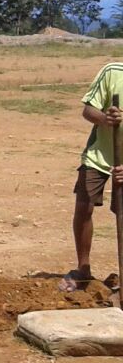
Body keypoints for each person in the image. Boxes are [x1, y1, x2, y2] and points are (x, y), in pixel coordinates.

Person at [60, 62, 123, 292]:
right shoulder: (113, 72)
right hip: (98, 156)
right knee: (84, 207)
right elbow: (88, 110)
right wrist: (105, 118)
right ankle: (83, 269)